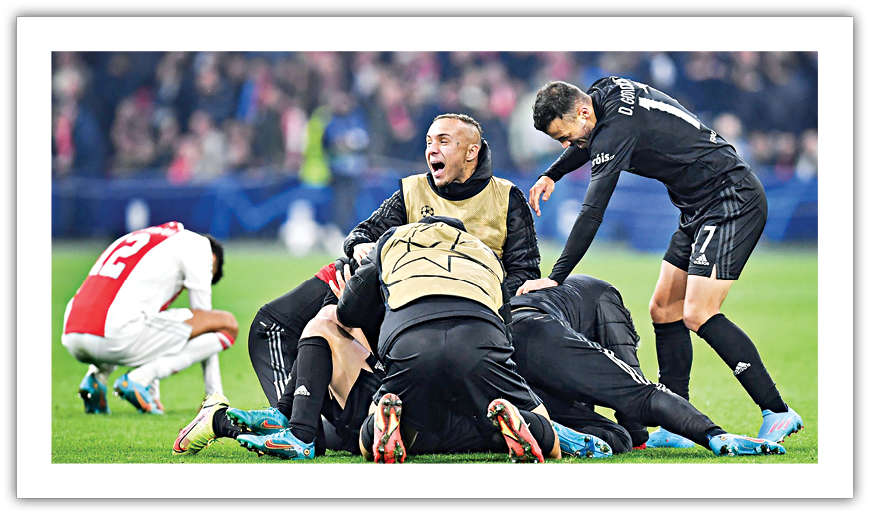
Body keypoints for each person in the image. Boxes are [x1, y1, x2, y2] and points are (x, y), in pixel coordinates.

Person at [520, 78, 803, 446]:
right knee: (664, 308)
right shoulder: (603, 93)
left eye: (564, 137)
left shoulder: (615, 130)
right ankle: (675, 423)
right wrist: (552, 173)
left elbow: (592, 211)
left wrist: (556, 277)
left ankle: (776, 410)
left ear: (583, 112)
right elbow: (589, 141)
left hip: (730, 199)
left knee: (698, 312)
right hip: (697, 205)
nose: (566, 146)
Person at [244, 112, 540, 413]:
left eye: (443, 141)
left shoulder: (507, 198)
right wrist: (359, 246)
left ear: (471, 151)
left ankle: (319, 419)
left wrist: (479, 293)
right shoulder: (412, 191)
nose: (432, 150)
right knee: (272, 323)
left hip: (470, 318)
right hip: (401, 305)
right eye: (428, 142)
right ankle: (287, 417)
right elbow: (364, 233)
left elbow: (525, 273)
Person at [507, 275, 787, 457]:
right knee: (639, 406)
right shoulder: (605, 295)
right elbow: (631, 378)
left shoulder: (561, 295)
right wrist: (640, 435)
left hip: (502, 348)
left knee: (615, 437)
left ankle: (547, 431)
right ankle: (716, 436)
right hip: (540, 332)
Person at [62, 221, 237, 415]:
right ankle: (139, 378)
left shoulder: (142, 238)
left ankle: (96, 378)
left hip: (72, 334)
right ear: (213, 259)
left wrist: (153, 395)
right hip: (116, 337)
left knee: (133, 316)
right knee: (226, 324)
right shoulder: (199, 247)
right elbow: (206, 322)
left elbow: (153, 322)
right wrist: (213, 395)